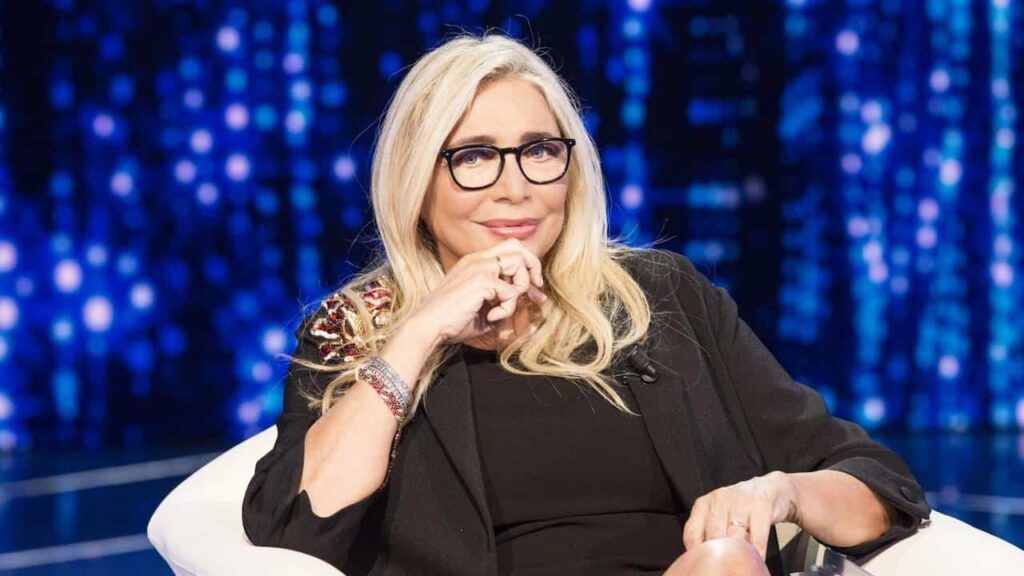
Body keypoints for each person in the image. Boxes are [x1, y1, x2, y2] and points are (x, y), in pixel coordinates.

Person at [242, 33, 931, 576]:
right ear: (417, 181)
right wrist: (419, 333)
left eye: (540, 151)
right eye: (474, 156)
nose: (515, 187)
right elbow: (292, 531)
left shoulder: (662, 298)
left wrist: (783, 492)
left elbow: (881, 485)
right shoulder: (356, 329)